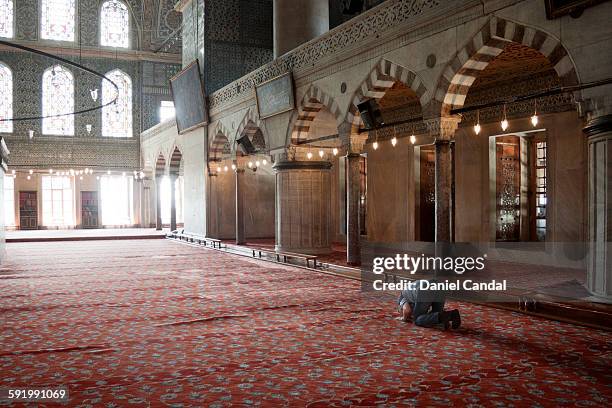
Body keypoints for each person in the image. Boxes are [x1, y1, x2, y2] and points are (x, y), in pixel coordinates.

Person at [397, 279, 461, 329]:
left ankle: (449, 316)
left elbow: (407, 310)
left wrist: (403, 318)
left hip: (425, 289)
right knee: (436, 314)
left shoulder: (401, 297)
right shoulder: (410, 294)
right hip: (440, 286)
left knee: (417, 320)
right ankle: (450, 315)